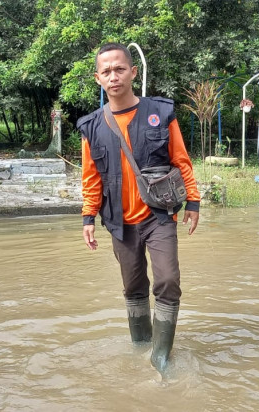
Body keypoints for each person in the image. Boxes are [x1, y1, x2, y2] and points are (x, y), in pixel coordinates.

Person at [76, 43, 200, 371]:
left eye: (120, 69)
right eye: (106, 71)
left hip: (158, 216)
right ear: (98, 78)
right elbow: (91, 178)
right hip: (119, 222)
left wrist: (194, 201)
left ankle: (160, 355)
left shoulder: (160, 111)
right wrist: (88, 217)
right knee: (133, 286)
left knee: (168, 280)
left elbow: (180, 158)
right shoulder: (91, 127)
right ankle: (141, 345)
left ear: (133, 72)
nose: (114, 76)